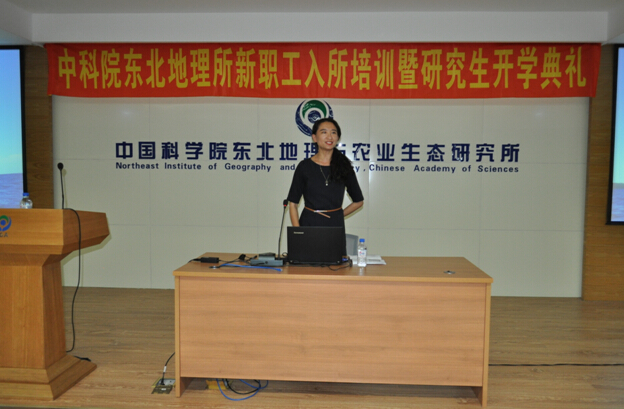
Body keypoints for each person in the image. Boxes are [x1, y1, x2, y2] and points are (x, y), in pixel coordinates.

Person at [287, 118, 364, 227]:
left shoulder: (344, 166)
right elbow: (293, 204)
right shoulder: (304, 167)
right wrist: (298, 232)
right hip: (308, 224)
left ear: (338, 138)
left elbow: (358, 201)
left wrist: (337, 215)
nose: (329, 137)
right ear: (314, 138)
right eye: (324, 132)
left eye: (333, 132)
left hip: (335, 227)